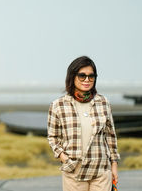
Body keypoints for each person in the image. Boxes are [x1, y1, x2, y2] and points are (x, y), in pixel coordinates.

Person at [47, 56, 120, 191]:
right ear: (72, 76)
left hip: (101, 171)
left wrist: (114, 165)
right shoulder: (58, 105)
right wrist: (64, 158)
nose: (87, 80)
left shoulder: (103, 103)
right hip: (74, 172)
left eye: (91, 76)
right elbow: (53, 137)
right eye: (82, 76)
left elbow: (110, 136)